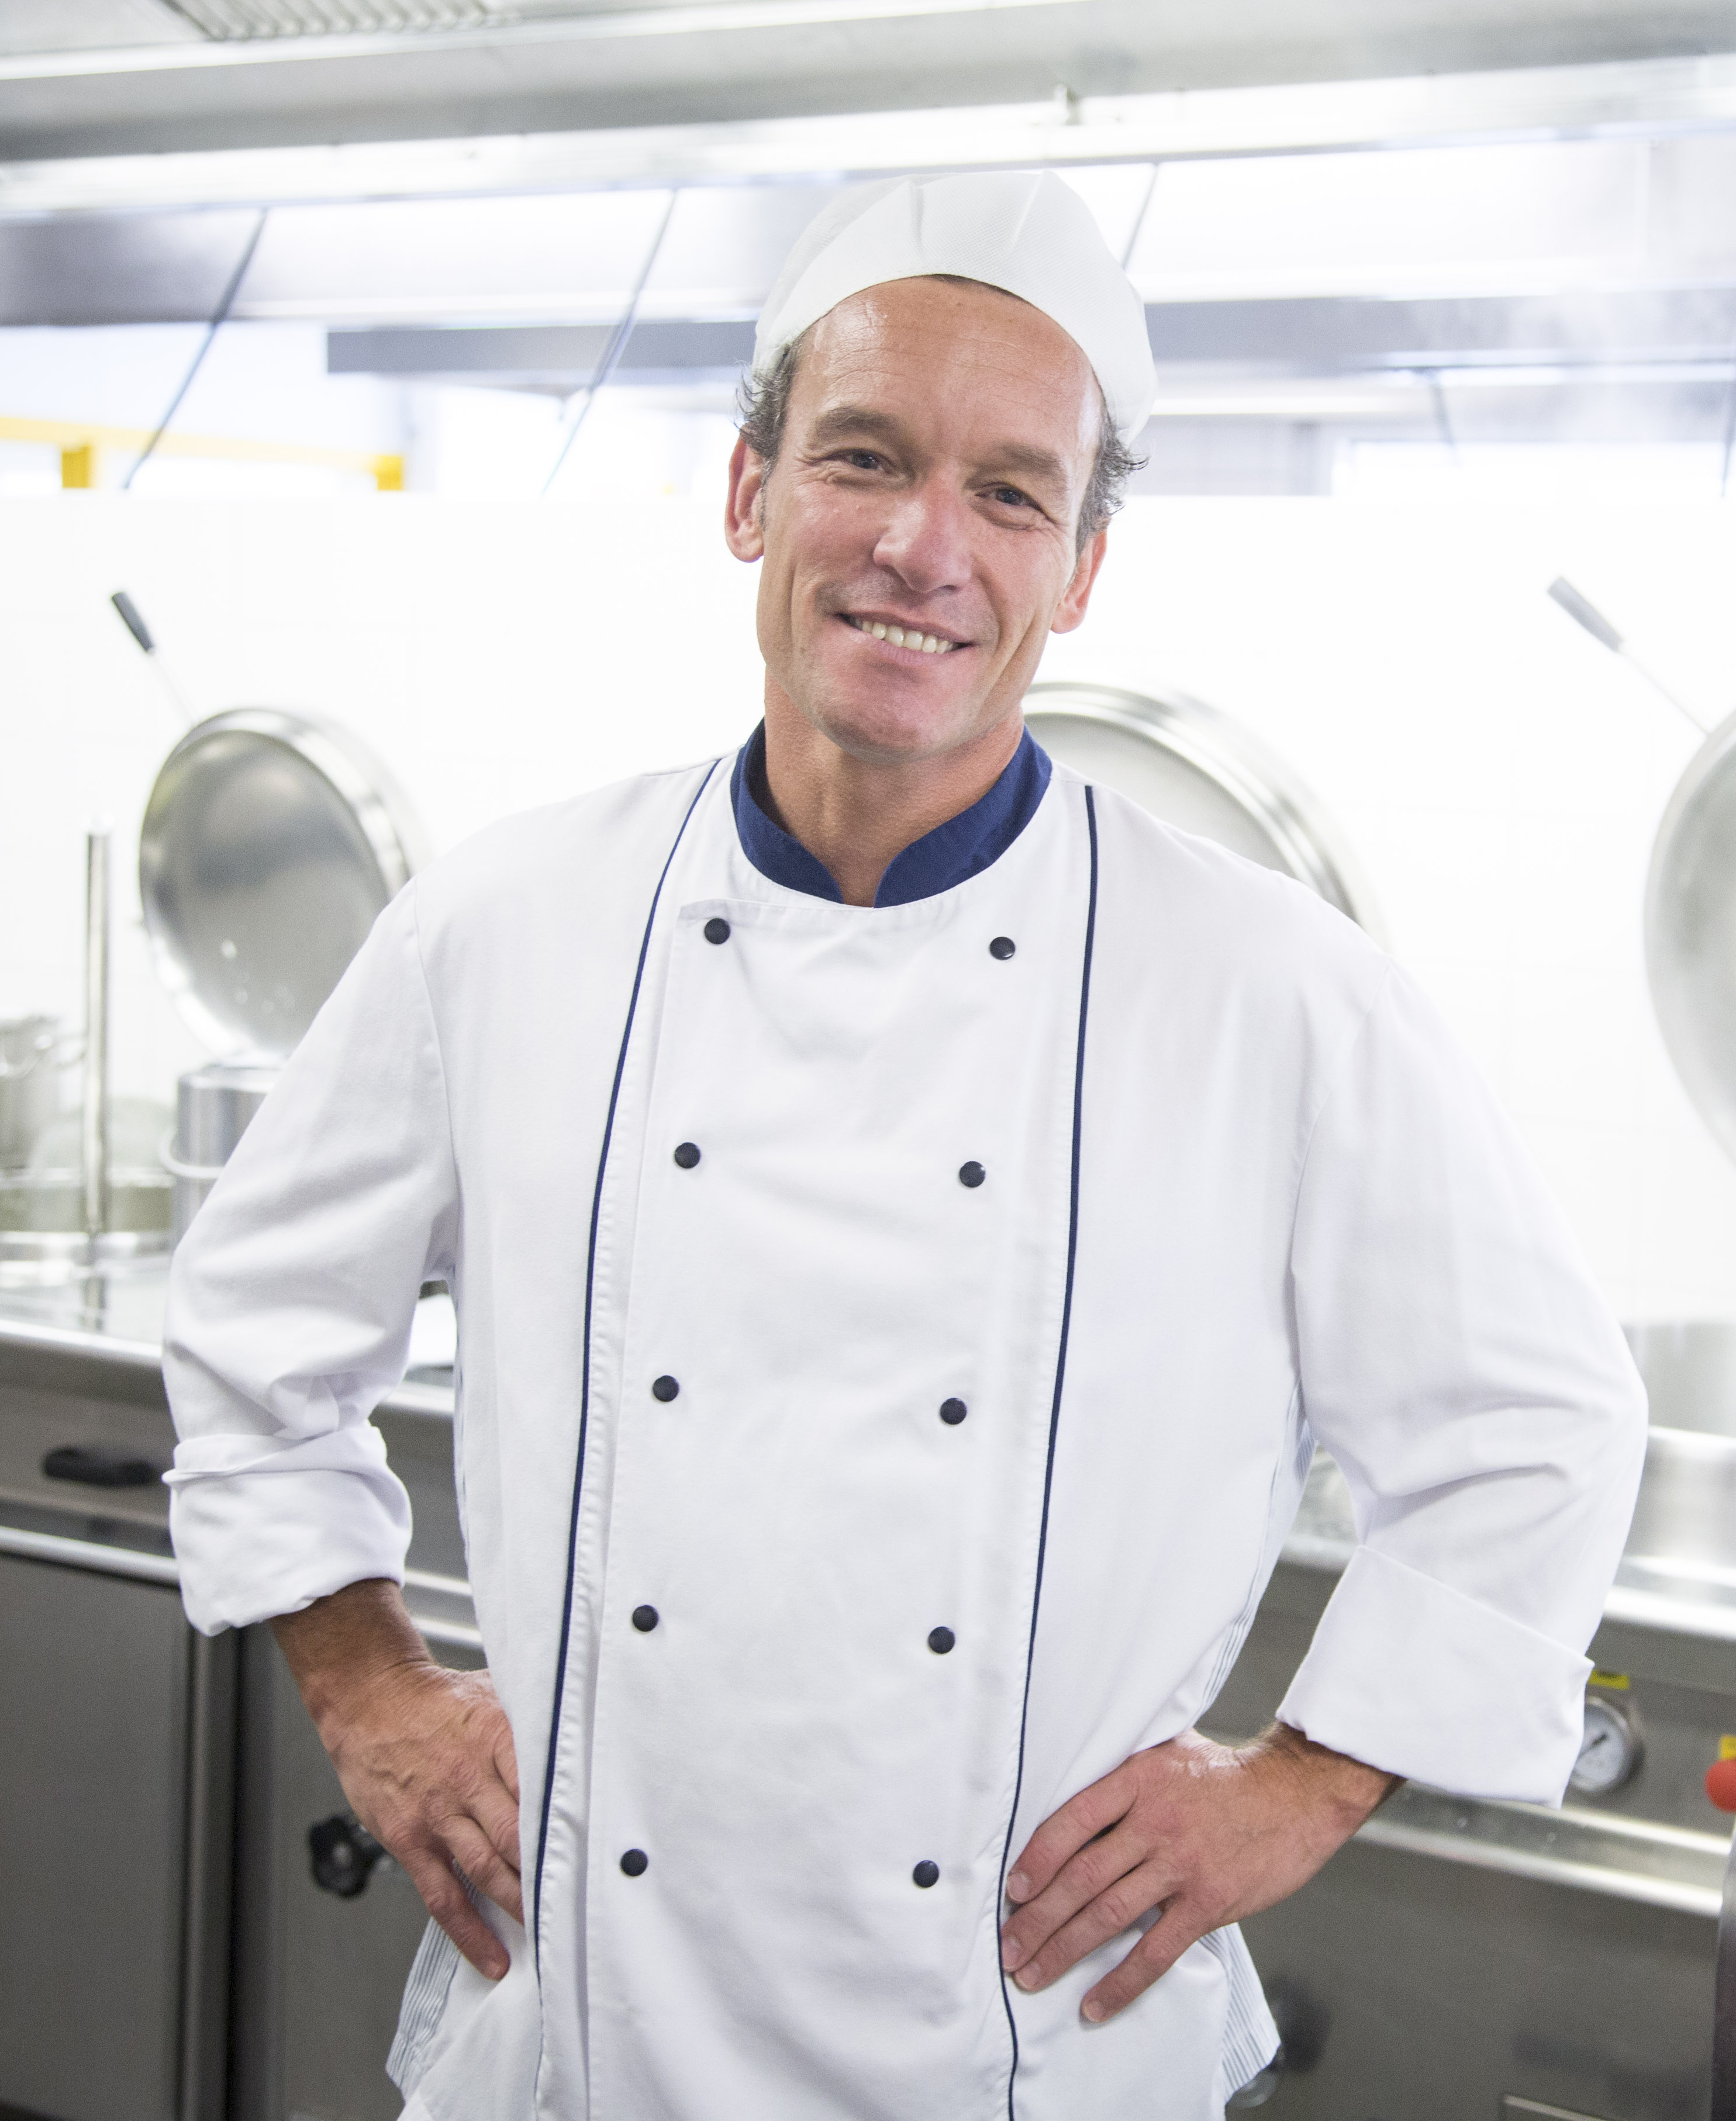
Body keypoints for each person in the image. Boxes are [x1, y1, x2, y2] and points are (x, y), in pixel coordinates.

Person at [162, 169, 1647, 2120]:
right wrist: (369, 1686)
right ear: (748, 494)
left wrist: (1302, 1783)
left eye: (1013, 491)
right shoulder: (504, 926)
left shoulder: (1270, 990)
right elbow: (255, 1335)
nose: (923, 548)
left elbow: (1535, 1426)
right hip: (590, 2039)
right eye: (863, 457)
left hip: (1022, 2054)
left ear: (1082, 568)